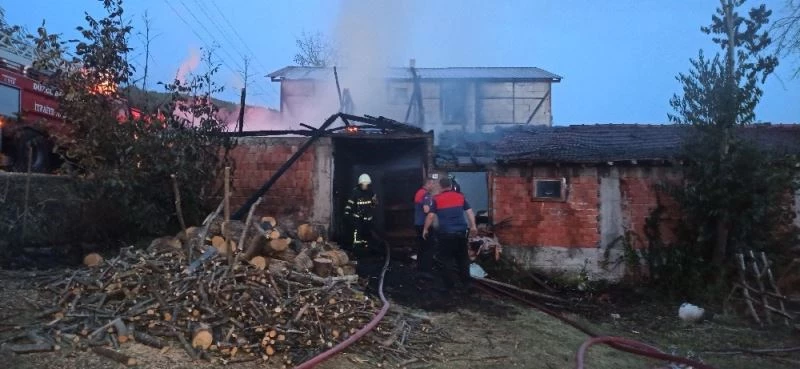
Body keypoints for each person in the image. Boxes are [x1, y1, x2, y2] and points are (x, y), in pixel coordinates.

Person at [423, 176, 477, 293]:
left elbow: (431, 216)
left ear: (441, 186)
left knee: (446, 260)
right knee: (463, 259)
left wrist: (425, 229)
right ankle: (467, 284)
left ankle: (449, 286)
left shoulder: (436, 199)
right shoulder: (460, 197)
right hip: (461, 233)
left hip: (446, 234)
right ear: (451, 186)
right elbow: (469, 212)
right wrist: (473, 226)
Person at [344, 173, 378, 253]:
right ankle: (356, 248)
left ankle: (368, 248)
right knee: (357, 233)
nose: (365, 186)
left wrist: (374, 201)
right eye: (363, 184)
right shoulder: (355, 193)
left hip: (368, 218)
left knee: (368, 234)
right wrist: (347, 213)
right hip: (357, 218)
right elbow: (350, 204)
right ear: (360, 184)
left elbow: (374, 205)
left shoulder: (371, 193)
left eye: (366, 184)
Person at [413, 173, 438, 277]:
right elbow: (426, 209)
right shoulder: (426, 195)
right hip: (424, 225)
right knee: (428, 248)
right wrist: (434, 208)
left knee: (421, 247)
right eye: (432, 184)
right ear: (428, 184)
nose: (433, 186)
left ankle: (420, 268)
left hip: (418, 224)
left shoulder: (418, 192)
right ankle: (426, 271)